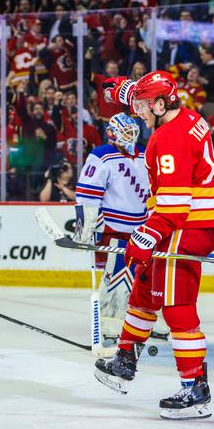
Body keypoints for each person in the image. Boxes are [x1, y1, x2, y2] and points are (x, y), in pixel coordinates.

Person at [93, 70, 214, 420]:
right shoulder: (187, 116)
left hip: (185, 226)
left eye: (142, 105)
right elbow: (152, 101)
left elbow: (173, 206)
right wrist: (130, 92)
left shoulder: (167, 139)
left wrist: (143, 238)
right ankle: (125, 359)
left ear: (159, 104)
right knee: (144, 290)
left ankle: (194, 388)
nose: (136, 112)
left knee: (176, 306)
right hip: (188, 223)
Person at [72, 113, 149, 338]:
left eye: (132, 131)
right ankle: (108, 322)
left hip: (142, 229)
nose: (130, 136)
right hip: (112, 228)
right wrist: (84, 226)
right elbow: (87, 193)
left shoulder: (145, 154)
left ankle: (142, 320)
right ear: (112, 133)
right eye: (125, 132)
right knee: (112, 275)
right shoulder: (101, 155)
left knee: (141, 276)